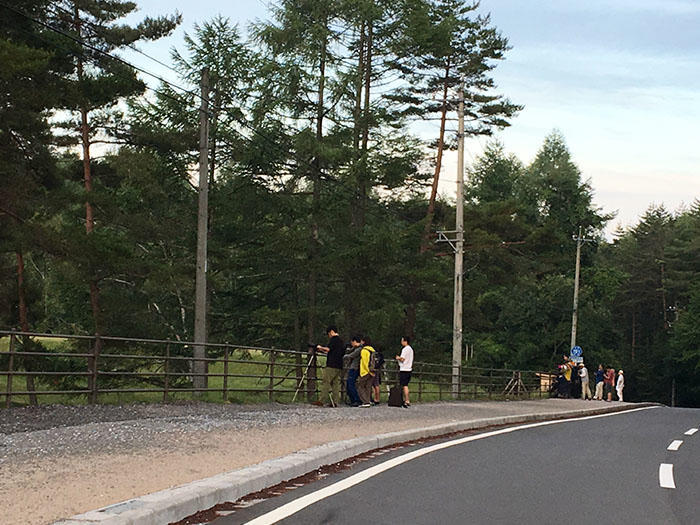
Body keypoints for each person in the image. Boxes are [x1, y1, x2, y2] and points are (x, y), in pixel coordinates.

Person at [313, 326, 344, 407]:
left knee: (326, 382)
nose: (328, 335)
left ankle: (321, 400)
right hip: (339, 364)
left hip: (331, 364)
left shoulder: (334, 340)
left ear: (331, 332)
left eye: (328, 333)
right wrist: (323, 350)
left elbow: (328, 349)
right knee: (335, 384)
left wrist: (320, 347)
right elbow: (333, 351)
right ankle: (336, 401)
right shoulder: (341, 341)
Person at [343, 335, 363, 406]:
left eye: (352, 342)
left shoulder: (359, 349)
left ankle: (356, 400)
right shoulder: (356, 348)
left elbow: (351, 355)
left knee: (351, 384)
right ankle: (353, 400)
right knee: (349, 384)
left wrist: (344, 356)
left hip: (354, 368)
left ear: (354, 341)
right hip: (353, 368)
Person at [356, 336, 376, 408]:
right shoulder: (372, 350)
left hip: (365, 371)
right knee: (368, 387)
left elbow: (365, 362)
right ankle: (368, 400)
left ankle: (365, 401)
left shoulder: (364, 350)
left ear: (364, 342)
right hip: (372, 371)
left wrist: (366, 371)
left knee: (360, 386)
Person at [396, 336, 414, 408]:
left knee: (404, 385)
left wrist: (398, 358)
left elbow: (402, 359)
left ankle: (406, 400)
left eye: (402, 340)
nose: (401, 342)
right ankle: (406, 399)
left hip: (404, 368)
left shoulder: (405, 349)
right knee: (406, 385)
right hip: (409, 368)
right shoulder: (411, 349)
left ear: (405, 341)